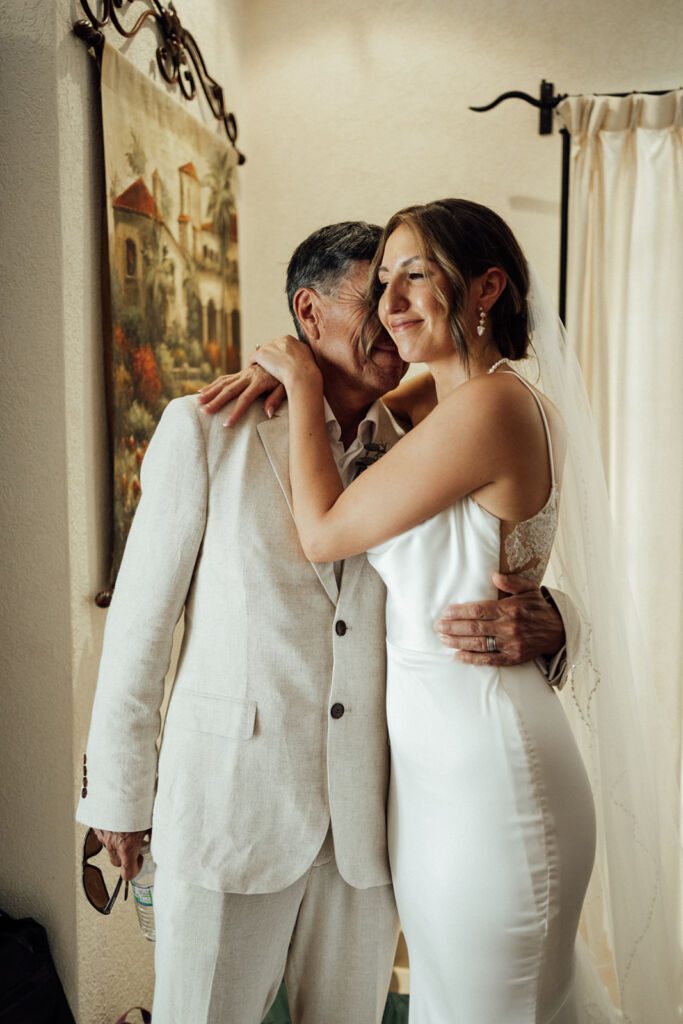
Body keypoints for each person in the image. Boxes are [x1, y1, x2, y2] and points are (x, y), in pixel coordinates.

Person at [77, 221, 570, 1024]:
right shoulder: (205, 430)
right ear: (307, 315)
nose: (390, 314)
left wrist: (555, 619)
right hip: (229, 811)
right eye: (369, 295)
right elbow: (139, 629)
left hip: (369, 831)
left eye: (396, 291)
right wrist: (119, 799)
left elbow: (504, 553)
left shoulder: (424, 438)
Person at [247, 201, 602, 1023]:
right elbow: (370, 405)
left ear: (485, 287)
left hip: (488, 772)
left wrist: (297, 376)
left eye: (418, 276)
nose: (391, 304)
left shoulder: (490, 406)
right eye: (382, 283)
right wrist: (284, 370)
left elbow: (326, 531)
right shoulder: (441, 402)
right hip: (435, 775)